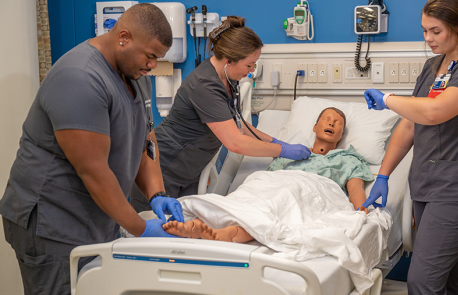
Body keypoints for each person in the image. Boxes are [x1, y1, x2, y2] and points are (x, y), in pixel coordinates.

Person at [0, 4, 185, 294]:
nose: (152, 66)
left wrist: (157, 194)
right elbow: (94, 171)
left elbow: (145, 140)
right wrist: (140, 227)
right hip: (53, 221)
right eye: (150, 56)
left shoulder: (137, 77)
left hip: (95, 214)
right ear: (123, 37)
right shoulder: (80, 78)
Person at [362, 0, 458, 293]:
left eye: (435, 31)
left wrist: (386, 99)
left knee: (422, 281)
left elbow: (434, 112)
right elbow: (410, 124)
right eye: (425, 30)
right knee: (448, 279)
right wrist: (383, 176)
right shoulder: (432, 66)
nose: (428, 38)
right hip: (427, 188)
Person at [130, 16, 311, 213]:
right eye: (249, 65)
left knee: (183, 234)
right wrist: (281, 150)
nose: (251, 71)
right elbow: (235, 142)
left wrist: (279, 142)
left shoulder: (228, 78)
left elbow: (238, 125)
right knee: (151, 236)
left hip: (188, 171)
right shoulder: (205, 85)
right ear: (229, 60)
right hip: (163, 169)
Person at [162, 107, 375, 241]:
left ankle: (226, 233)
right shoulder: (289, 154)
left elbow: (355, 189)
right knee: (244, 196)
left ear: (342, 133)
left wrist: (360, 212)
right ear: (314, 126)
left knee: (280, 202)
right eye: (327, 119)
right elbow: (265, 183)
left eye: (337, 123)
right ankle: (194, 224)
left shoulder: (348, 160)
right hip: (273, 183)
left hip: (308, 189)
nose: (331, 123)